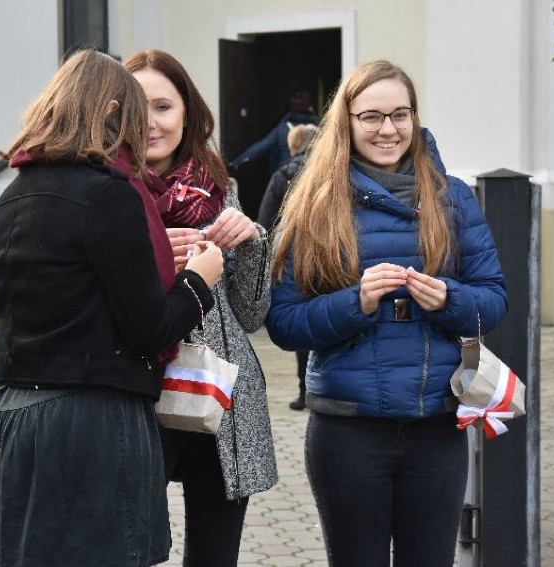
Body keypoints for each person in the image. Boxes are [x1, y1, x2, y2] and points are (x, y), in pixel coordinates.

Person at [0, 49, 225, 567]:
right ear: (112, 111)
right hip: (88, 423)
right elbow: (151, 328)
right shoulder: (110, 194)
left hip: (10, 415)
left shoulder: (15, 191)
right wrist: (197, 280)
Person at [265, 59, 508, 566]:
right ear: (347, 122)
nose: (388, 129)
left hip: (437, 426)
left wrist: (449, 300)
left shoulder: (453, 197)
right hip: (347, 431)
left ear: (415, 118)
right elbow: (284, 324)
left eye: (401, 114)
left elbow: (494, 301)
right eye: (371, 116)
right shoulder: (314, 202)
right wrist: (356, 302)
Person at [123, 49, 278, 566]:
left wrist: (254, 240)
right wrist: (152, 252)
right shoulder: (105, 194)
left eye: (163, 106)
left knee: (214, 556)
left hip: (218, 395)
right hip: (134, 395)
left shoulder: (219, 189)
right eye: (134, 107)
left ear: (187, 112)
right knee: (129, 549)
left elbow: (251, 315)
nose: (149, 122)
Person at [256, 123, 318, 410]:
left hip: (298, 262)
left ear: (293, 148)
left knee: (304, 325)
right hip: (334, 260)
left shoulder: (283, 176)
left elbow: (265, 222)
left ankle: (306, 391)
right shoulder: (337, 173)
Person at [229, 91, 320, 174]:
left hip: (287, 175)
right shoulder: (317, 129)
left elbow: (260, 147)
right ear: (310, 108)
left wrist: (236, 162)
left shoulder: (282, 128)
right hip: (311, 174)